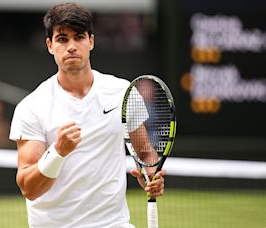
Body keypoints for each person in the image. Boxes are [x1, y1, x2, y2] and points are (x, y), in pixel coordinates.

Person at [9, 3, 166, 228]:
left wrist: (151, 173)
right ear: (50, 46)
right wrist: (57, 153)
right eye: (62, 39)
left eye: (79, 37)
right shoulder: (32, 107)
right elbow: (29, 188)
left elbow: (144, 151)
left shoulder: (123, 92)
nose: (71, 46)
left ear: (91, 41)